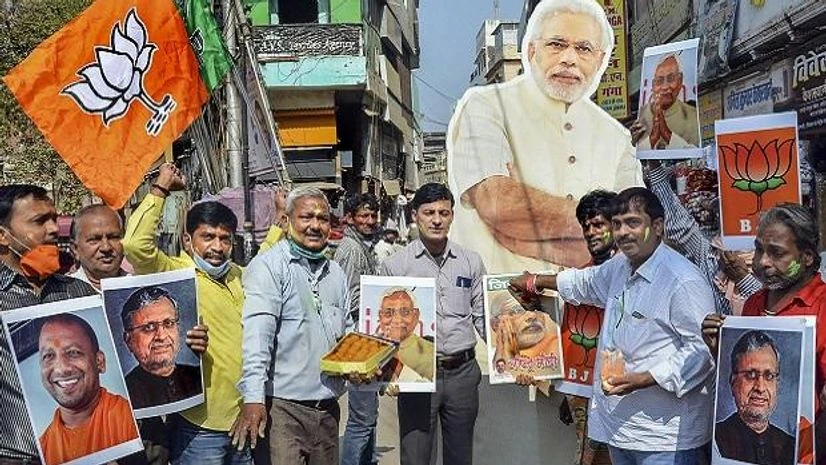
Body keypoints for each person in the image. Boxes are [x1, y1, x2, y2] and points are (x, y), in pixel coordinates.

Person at [510, 187, 716, 464]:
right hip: (620, 430)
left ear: (657, 226)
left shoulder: (682, 281)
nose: (623, 232)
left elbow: (702, 353)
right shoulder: (620, 267)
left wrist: (646, 378)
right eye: (617, 224)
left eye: (633, 222)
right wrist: (534, 281)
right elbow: (583, 282)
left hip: (666, 439)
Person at [447, 0, 642, 272]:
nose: (569, 59)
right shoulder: (486, 107)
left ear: (599, 61)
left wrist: (526, 235)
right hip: (503, 302)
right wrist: (599, 226)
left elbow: (634, 233)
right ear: (531, 50)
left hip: (592, 308)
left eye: (584, 48)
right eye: (557, 44)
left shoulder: (616, 137)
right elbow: (497, 204)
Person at [123, 162, 254, 465]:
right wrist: (160, 188)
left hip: (242, 416)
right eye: (208, 237)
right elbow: (134, 246)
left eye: (225, 239)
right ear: (187, 240)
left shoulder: (239, 274)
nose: (217, 247)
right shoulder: (175, 272)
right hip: (200, 425)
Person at [232, 187, 360, 465]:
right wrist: (253, 398)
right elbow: (257, 338)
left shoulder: (335, 273)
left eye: (323, 218)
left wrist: (366, 364)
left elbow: (346, 331)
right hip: (282, 411)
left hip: (327, 409)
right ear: (288, 220)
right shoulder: (269, 267)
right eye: (306, 217)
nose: (315, 225)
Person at [703, 204, 826, 464]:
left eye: (776, 253)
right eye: (759, 249)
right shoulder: (755, 302)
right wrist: (721, 347)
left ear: (806, 257)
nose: (762, 262)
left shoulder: (822, 306)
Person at [380, 183, 486, 465]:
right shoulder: (395, 265)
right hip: (417, 369)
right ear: (415, 215)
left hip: (462, 372)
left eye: (444, 212)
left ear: (452, 216)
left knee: (460, 456)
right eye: (429, 212)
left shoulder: (470, 262)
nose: (436, 220)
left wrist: (516, 356)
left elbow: (484, 316)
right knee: (415, 456)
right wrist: (385, 366)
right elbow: (385, 323)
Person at [0, 184, 99, 465]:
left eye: (54, 218)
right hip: (16, 456)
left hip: (86, 452)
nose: (54, 229)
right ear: (3, 236)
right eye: (39, 221)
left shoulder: (79, 293)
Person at [641, 160, 762, 315]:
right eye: (724, 211)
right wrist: (653, 161)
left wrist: (742, 278)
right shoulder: (711, 254)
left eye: (742, 210)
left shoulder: (769, 259)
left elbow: (774, 315)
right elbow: (679, 224)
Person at [36, 313, 138, 465]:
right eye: (49, 356)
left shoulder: (130, 418)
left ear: (99, 362)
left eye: (73, 352)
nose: (62, 369)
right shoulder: (41, 448)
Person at [560, 189, 616, 465]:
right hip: (582, 395)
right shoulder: (578, 278)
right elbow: (571, 336)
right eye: (586, 226)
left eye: (598, 224)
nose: (591, 232)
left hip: (620, 392)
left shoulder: (630, 276)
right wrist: (569, 389)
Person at [337, 193, 382, 465]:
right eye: (363, 216)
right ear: (350, 218)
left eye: (373, 215)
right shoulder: (351, 250)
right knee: (361, 420)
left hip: (367, 338)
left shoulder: (364, 246)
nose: (369, 221)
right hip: (359, 339)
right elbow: (349, 300)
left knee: (369, 417)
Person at [715, 330, 795, 465]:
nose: (761, 387)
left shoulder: (791, 447)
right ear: (733, 382)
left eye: (769, 376)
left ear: (777, 385)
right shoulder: (715, 441)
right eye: (751, 375)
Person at [120, 285, 201, 408]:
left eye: (168, 323)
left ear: (178, 330)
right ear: (129, 340)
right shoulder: (124, 394)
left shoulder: (199, 376)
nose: (161, 336)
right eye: (149, 327)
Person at [635, 54, 700, 150]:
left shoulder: (693, 116)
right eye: (659, 81)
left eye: (671, 79)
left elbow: (696, 157)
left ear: (680, 80)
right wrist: (651, 139)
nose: (665, 87)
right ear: (653, 85)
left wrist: (667, 134)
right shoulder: (641, 116)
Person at [375, 287, 435, 383]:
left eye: (405, 312)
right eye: (388, 313)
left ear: (415, 316)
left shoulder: (431, 353)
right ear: (380, 316)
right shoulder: (371, 353)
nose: (397, 320)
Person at [69, 205, 128, 288]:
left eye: (113, 237)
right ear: (75, 249)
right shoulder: (60, 296)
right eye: (94, 240)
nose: (106, 247)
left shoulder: (141, 289)